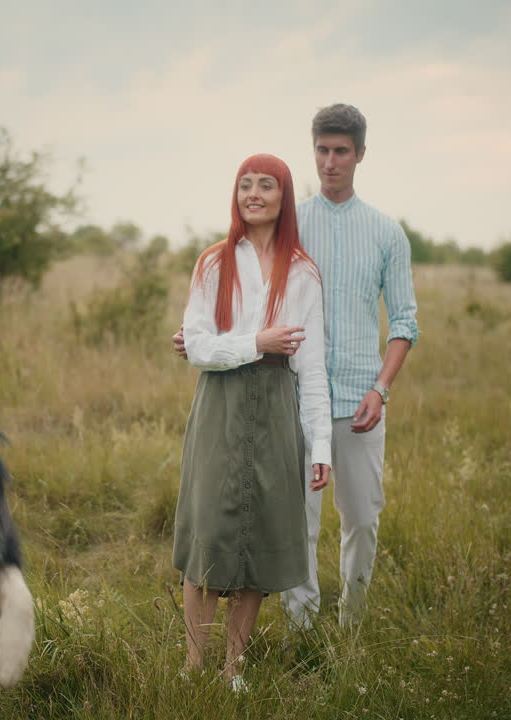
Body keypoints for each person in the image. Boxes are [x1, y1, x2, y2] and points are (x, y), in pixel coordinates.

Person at [173, 104, 419, 629]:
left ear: (360, 154)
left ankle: (351, 622)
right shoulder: (289, 220)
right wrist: (208, 340)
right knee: (290, 524)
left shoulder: (385, 233)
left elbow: (404, 321)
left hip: (355, 398)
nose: (330, 162)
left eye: (341, 151)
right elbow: (237, 298)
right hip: (282, 398)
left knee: (361, 520)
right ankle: (301, 628)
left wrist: (381, 388)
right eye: (322, 151)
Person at [172, 153, 332, 691]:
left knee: (258, 535)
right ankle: (194, 666)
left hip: (276, 409)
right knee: (210, 531)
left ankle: (233, 668)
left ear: (284, 198)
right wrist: (256, 342)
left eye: (266, 185)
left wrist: (321, 446)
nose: (253, 194)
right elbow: (197, 345)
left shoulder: (303, 273)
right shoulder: (214, 263)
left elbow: (312, 368)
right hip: (220, 403)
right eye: (245, 185)